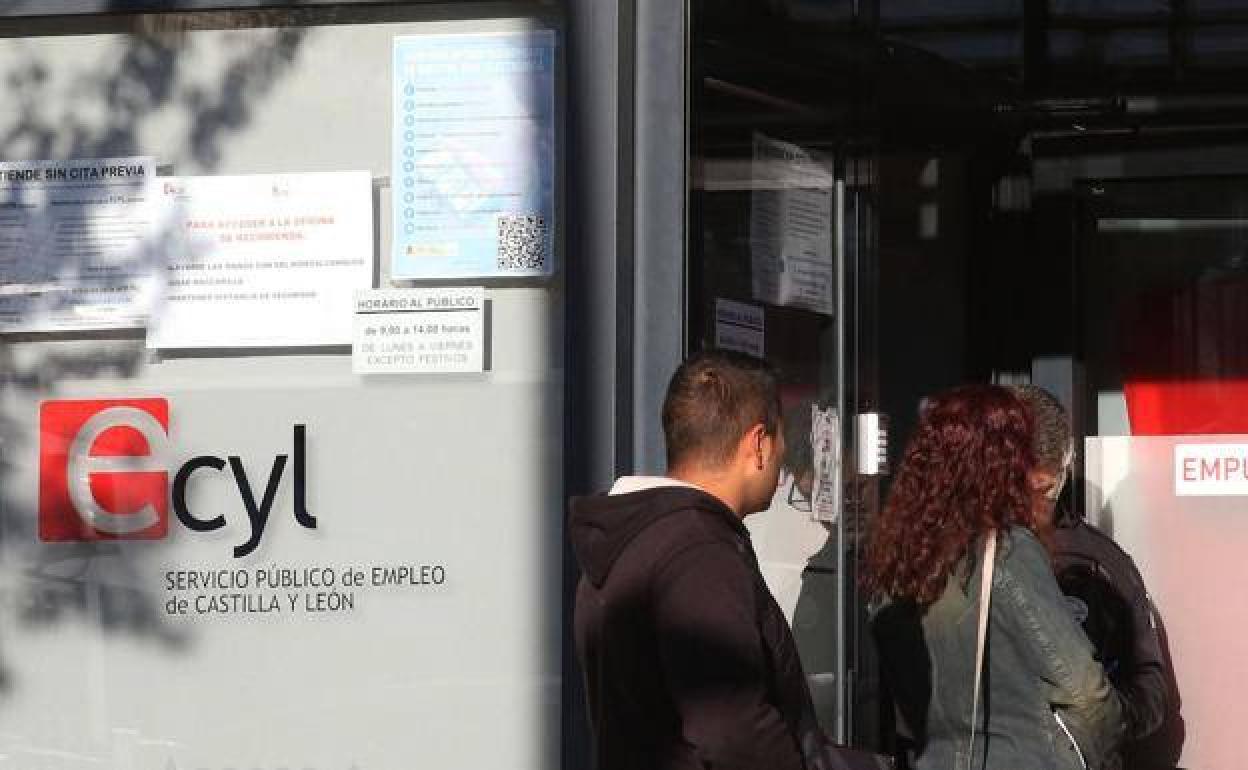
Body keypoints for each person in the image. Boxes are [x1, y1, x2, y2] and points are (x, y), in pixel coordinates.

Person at [568, 350, 825, 770]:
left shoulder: (634, 539)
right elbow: (734, 729)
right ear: (758, 444)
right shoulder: (699, 555)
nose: (783, 455)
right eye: (781, 438)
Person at [865, 384, 1123, 770]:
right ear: (999, 463)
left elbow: (907, 709)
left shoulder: (899, 561)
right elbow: (1087, 693)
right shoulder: (1005, 551)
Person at [1007, 384, 1179, 770]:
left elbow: (1150, 684)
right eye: (1021, 487)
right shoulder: (959, 557)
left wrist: (1102, 722)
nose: (1034, 506)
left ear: (1066, 467)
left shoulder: (1104, 562)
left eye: (1045, 491)